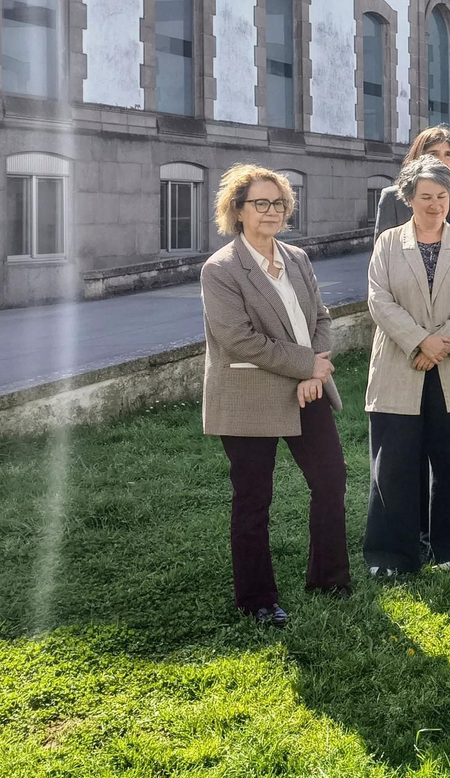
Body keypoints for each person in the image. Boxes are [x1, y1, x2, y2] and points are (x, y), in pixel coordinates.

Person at [200, 164, 347, 627]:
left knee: (330, 480)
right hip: (249, 395)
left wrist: (315, 372)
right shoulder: (221, 269)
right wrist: (306, 365)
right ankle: (257, 600)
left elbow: (320, 319)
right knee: (253, 499)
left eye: (279, 203)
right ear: (237, 211)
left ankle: (329, 578)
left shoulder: (298, 259)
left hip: (308, 389)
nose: (271, 211)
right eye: (259, 204)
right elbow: (239, 339)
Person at [363, 156, 450, 576]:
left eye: (442, 196)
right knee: (393, 462)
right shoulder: (387, 243)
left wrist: (439, 345)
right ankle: (391, 556)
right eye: (425, 197)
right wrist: (420, 341)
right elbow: (379, 299)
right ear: (408, 199)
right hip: (401, 364)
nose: (435, 205)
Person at [373, 125, 450, 246]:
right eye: (433, 154)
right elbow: (382, 253)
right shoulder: (392, 197)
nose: (442, 160)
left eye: (448, 154)